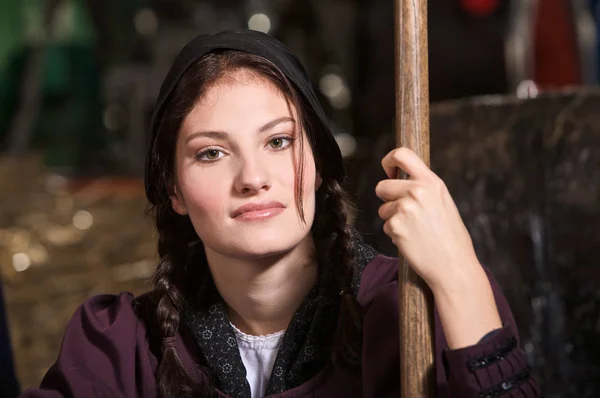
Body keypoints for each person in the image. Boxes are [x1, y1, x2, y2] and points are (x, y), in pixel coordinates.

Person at [20, 30, 541, 398]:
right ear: (173, 190)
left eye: (278, 141)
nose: (253, 177)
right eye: (211, 152)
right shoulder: (118, 349)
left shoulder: (415, 312)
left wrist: (460, 276)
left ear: (315, 163)